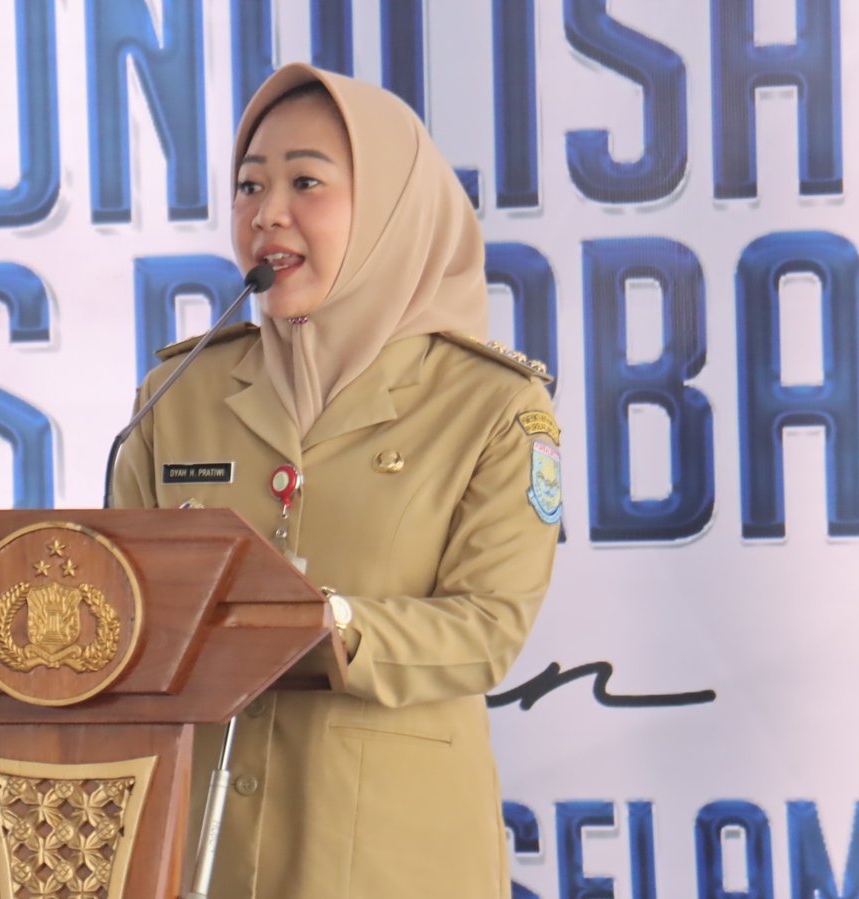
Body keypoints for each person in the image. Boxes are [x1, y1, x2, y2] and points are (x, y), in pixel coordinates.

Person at [112, 63, 561, 897]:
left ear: (390, 210)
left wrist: (333, 623)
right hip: (204, 854)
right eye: (250, 186)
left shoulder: (493, 406)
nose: (266, 213)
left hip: (396, 859)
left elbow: (489, 626)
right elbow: (123, 611)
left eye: (306, 182)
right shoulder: (178, 394)